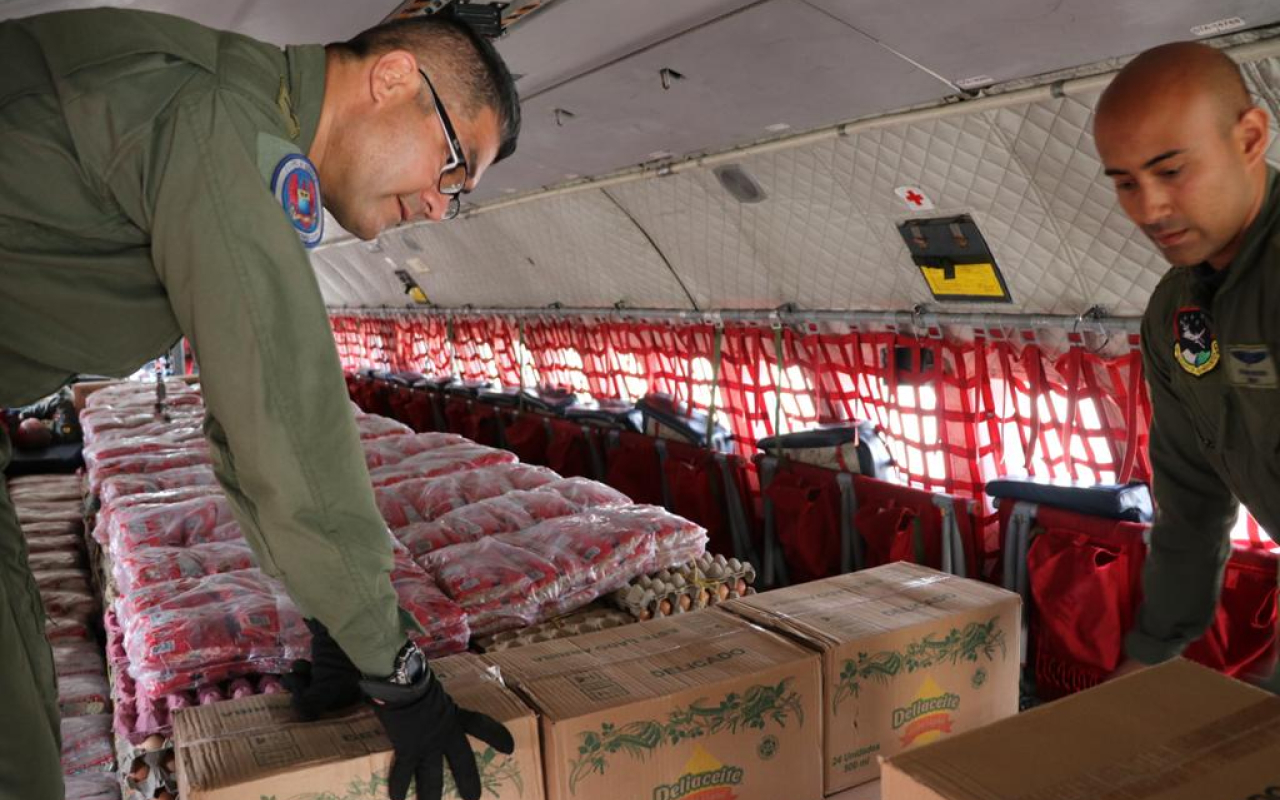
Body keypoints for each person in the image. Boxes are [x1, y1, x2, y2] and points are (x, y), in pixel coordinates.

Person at [0, 8, 521, 800]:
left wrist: (335, 622)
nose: (442, 206)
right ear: (393, 77)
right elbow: (281, 404)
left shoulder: (233, 116)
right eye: (454, 167)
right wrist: (395, 665)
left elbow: (246, 422)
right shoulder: (217, 119)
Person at [1092, 42, 1279, 680]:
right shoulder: (1174, 312)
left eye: (1171, 171)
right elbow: (1192, 494)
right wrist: (1153, 650)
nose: (1148, 209)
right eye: (1125, 183)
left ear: (1250, 137)